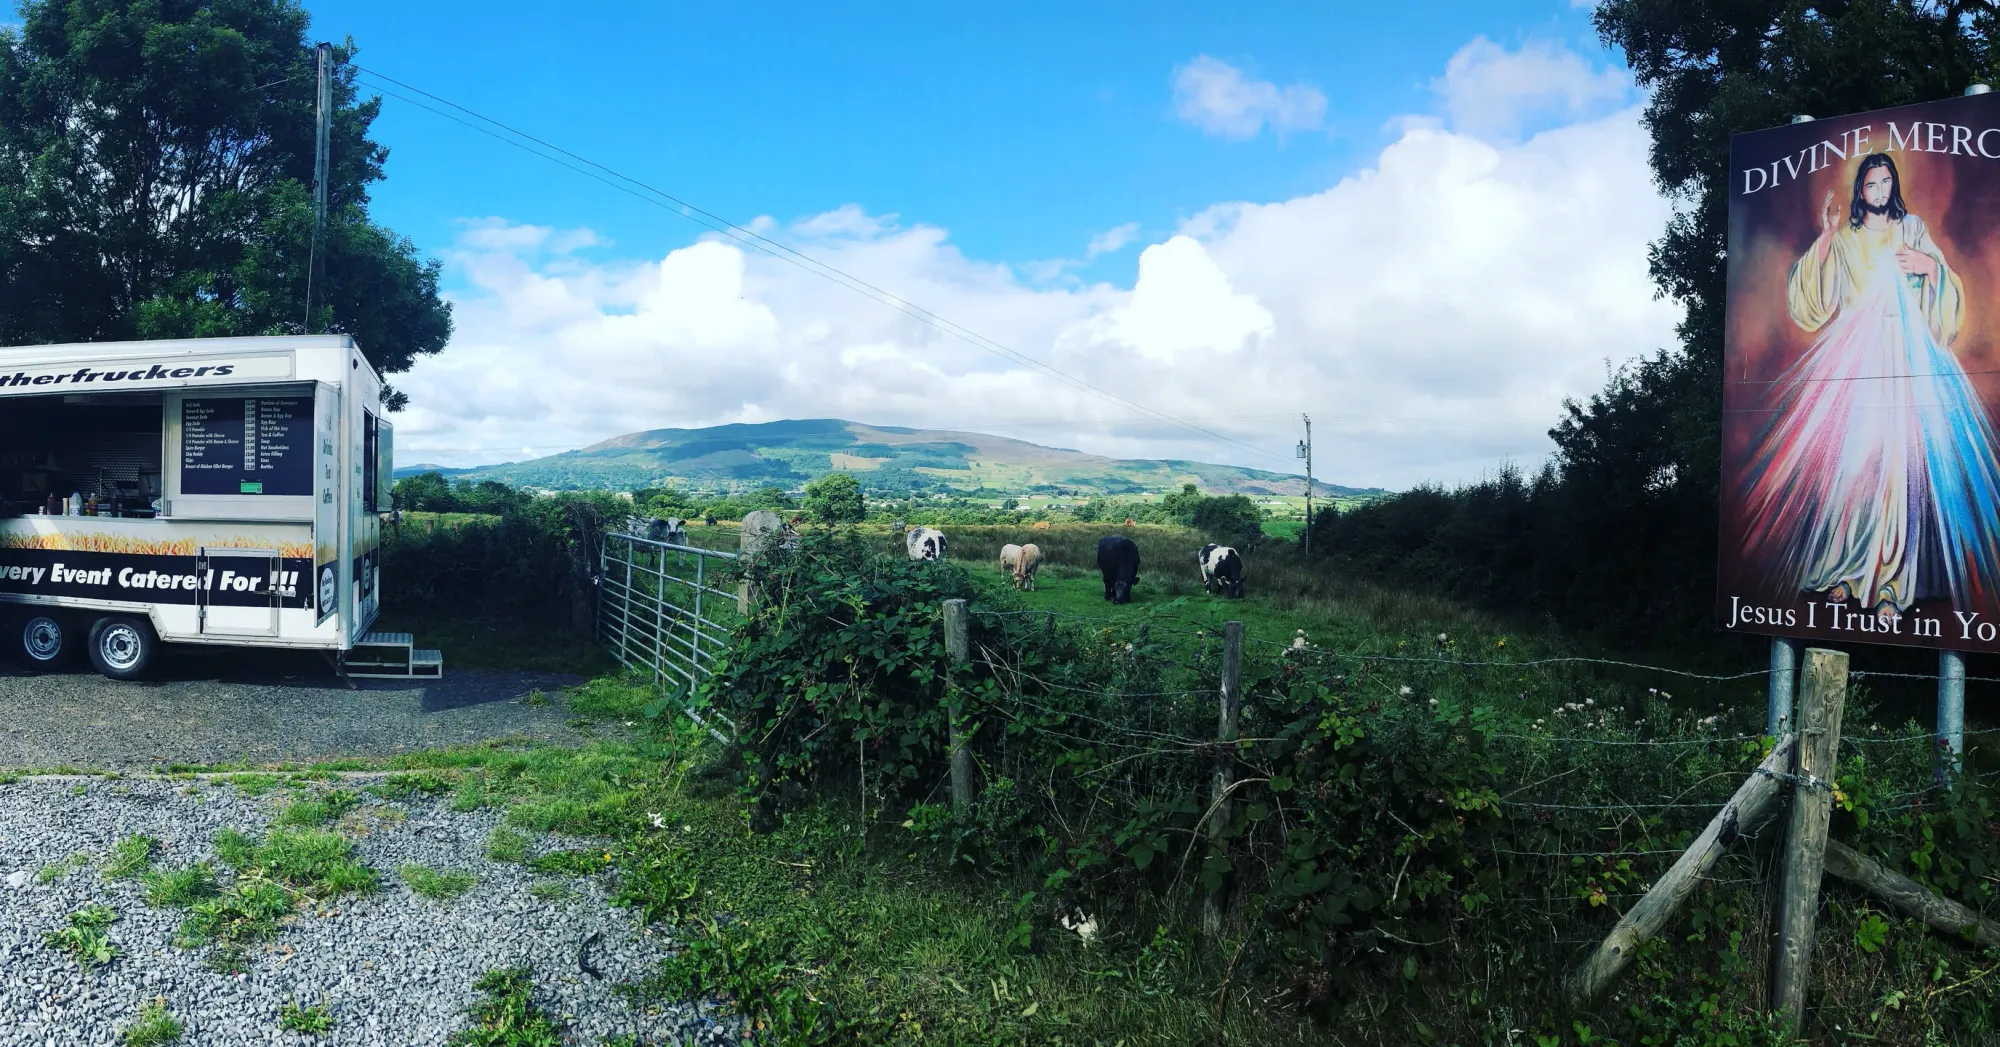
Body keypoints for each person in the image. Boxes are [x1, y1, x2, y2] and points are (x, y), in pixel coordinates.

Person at [1741, 152, 2000, 617]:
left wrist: (1930, 267)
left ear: (1892, 186)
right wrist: (1823, 239)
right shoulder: (1845, 240)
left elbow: (1943, 288)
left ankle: (1890, 584)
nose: (1879, 192)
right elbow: (1813, 303)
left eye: (1886, 184)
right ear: (1860, 190)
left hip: (1905, 361)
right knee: (1855, 468)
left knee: (1898, 470)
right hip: (1859, 365)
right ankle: (1845, 570)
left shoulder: (1912, 228)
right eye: (1871, 185)